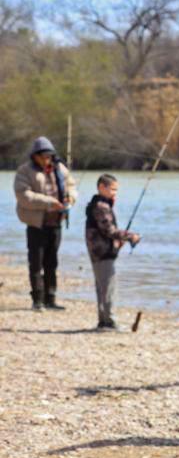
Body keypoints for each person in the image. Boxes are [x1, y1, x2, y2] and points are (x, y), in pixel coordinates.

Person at [14, 136, 77, 311]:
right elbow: (24, 196)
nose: (46, 159)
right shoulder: (24, 171)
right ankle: (37, 301)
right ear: (34, 156)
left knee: (52, 263)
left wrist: (70, 198)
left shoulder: (60, 168)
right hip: (36, 225)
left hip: (56, 223)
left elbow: (71, 185)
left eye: (49, 156)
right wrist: (49, 202)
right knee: (36, 263)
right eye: (42, 156)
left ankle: (51, 299)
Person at [84, 174, 139, 330]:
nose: (115, 193)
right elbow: (109, 230)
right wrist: (131, 236)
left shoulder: (98, 204)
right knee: (108, 287)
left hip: (98, 250)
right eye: (113, 189)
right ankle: (109, 321)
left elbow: (106, 231)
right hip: (102, 252)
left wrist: (118, 240)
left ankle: (103, 320)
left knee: (102, 286)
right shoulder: (101, 207)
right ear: (102, 187)